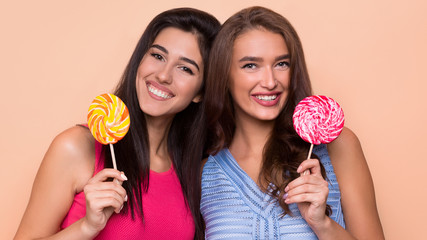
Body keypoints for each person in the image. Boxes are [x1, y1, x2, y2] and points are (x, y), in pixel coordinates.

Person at [14, 8, 220, 240]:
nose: (163, 75)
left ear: (201, 92)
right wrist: (87, 227)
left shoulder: (194, 172)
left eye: (185, 68)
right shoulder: (76, 147)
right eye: (157, 56)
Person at [201, 6, 384, 239]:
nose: (270, 81)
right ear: (224, 75)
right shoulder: (204, 173)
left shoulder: (338, 145)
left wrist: (322, 223)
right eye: (250, 65)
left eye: (281, 64)